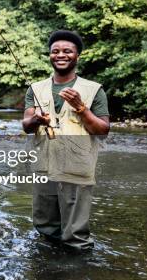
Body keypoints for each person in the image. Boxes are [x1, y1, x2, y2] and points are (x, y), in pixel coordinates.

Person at [22, 30, 110, 250]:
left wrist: (82, 108)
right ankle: (50, 266)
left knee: (75, 235)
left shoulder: (94, 90)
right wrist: (36, 120)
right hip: (43, 166)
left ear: (77, 56)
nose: (61, 55)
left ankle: (78, 269)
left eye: (67, 51)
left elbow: (102, 130)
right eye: (55, 51)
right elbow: (25, 125)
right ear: (50, 56)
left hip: (77, 168)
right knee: (45, 227)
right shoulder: (35, 88)